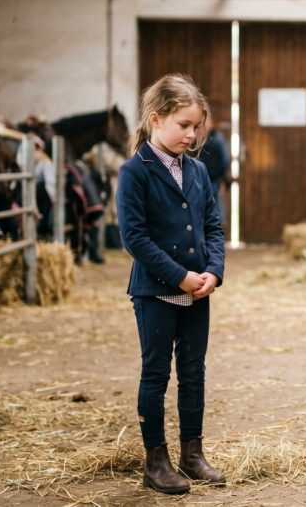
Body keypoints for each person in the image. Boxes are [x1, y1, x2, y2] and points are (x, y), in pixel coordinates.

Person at [116, 73, 226, 495]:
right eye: (184, 125)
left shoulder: (197, 170)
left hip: (199, 291)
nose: (192, 133)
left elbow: (214, 227)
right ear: (155, 119)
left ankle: (193, 455)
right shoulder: (135, 172)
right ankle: (155, 462)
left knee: (194, 372)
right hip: (156, 292)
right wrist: (179, 276)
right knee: (156, 373)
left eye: (197, 126)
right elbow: (135, 237)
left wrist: (213, 273)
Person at [195, 118, 230, 223]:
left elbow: (224, 159)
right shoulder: (199, 138)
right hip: (201, 179)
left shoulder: (218, 139)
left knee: (215, 206)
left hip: (213, 179)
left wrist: (223, 176)